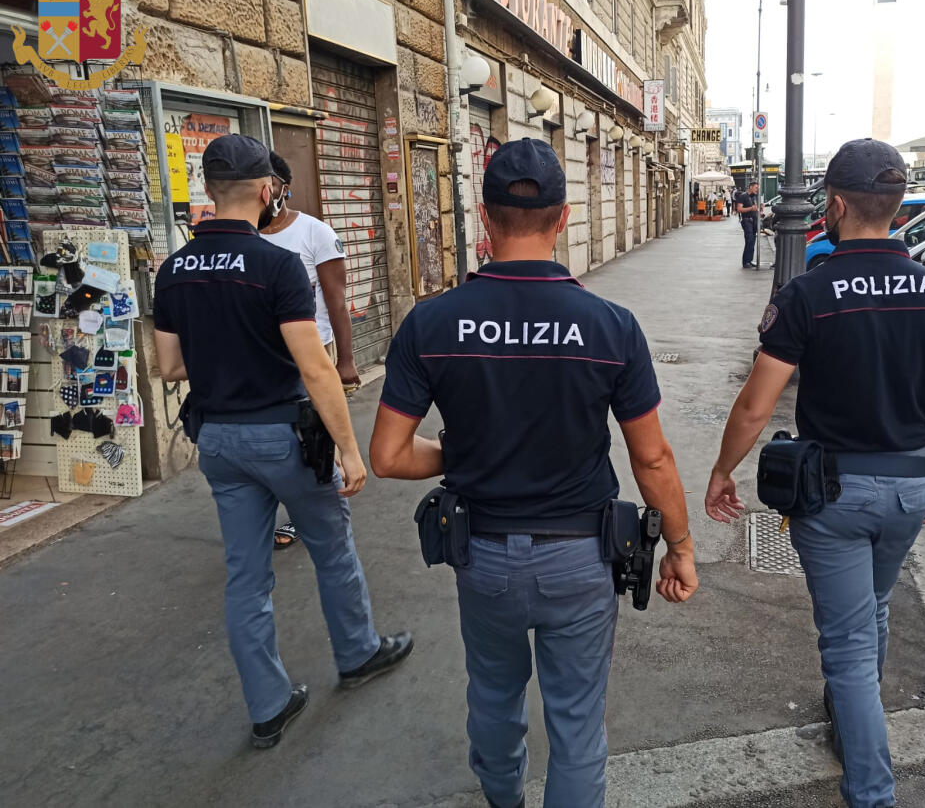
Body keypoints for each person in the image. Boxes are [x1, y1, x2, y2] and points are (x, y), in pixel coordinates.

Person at [369, 138, 698, 808]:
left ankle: (503, 797)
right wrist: (681, 546)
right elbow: (652, 457)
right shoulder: (610, 327)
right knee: (577, 723)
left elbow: (388, 455)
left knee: (493, 692)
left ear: (484, 216)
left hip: (483, 554)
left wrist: (465, 452)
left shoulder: (432, 323)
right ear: (564, 217)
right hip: (581, 556)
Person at [703, 139, 925, 808]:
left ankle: (872, 792)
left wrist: (722, 470)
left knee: (848, 650)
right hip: (908, 488)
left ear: (836, 204)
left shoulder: (809, 293)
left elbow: (755, 405)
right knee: (873, 609)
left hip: (833, 495)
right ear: (898, 205)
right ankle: (853, 728)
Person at [153, 134, 413, 749]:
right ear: (267, 189)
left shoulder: (174, 269)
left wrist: (223, 353)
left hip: (218, 439)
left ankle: (268, 707)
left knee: (246, 576)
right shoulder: (275, 265)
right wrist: (349, 449)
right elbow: (316, 368)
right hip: (284, 437)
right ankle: (358, 652)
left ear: (209, 190)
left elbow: (170, 366)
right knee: (331, 546)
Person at [260, 152, 361, 550]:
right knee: (275, 439)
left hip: (311, 352)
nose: (262, 191)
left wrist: (346, 361)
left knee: (316, 437)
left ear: (283, 188)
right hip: (264, 357)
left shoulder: (314, 233)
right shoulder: (245, 236)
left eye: (269, 182)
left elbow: (336, 301)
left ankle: (317, 514)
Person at [736, 181, 760, 268]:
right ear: (751, 187)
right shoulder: (743, 196)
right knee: (749, 240)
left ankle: (749, 261)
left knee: (752, 242)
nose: (757, 190)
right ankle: (746, 262)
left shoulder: (754, 197)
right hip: (747, 221)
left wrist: (760, 209)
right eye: (756, 188)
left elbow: (755, 209)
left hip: (753, 221)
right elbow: (739, 209)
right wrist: (751, 208)